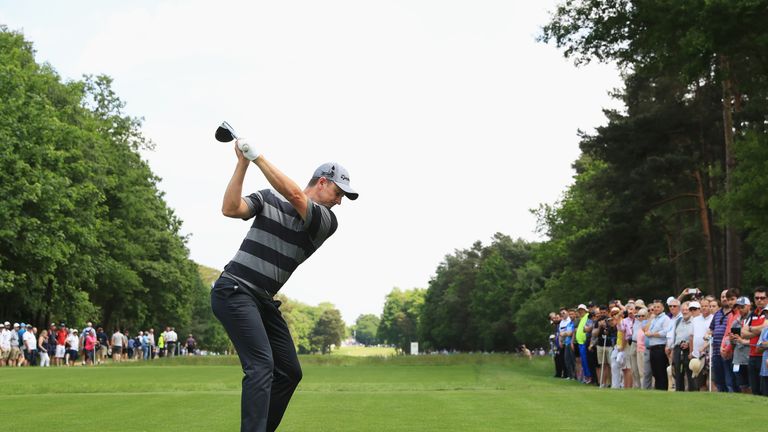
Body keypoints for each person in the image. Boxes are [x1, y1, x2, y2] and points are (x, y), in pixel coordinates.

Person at [211, 138, 358, 432]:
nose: (340, 201)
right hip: (235, 289)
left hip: (261, 300)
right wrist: (241, 164)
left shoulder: (326, 221)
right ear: (321, 182)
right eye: (338, 192)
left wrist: (257, 158)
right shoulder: (267, 198)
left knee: (289, 371)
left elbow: (293, 193)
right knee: (261, 366)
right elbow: (230, 209)